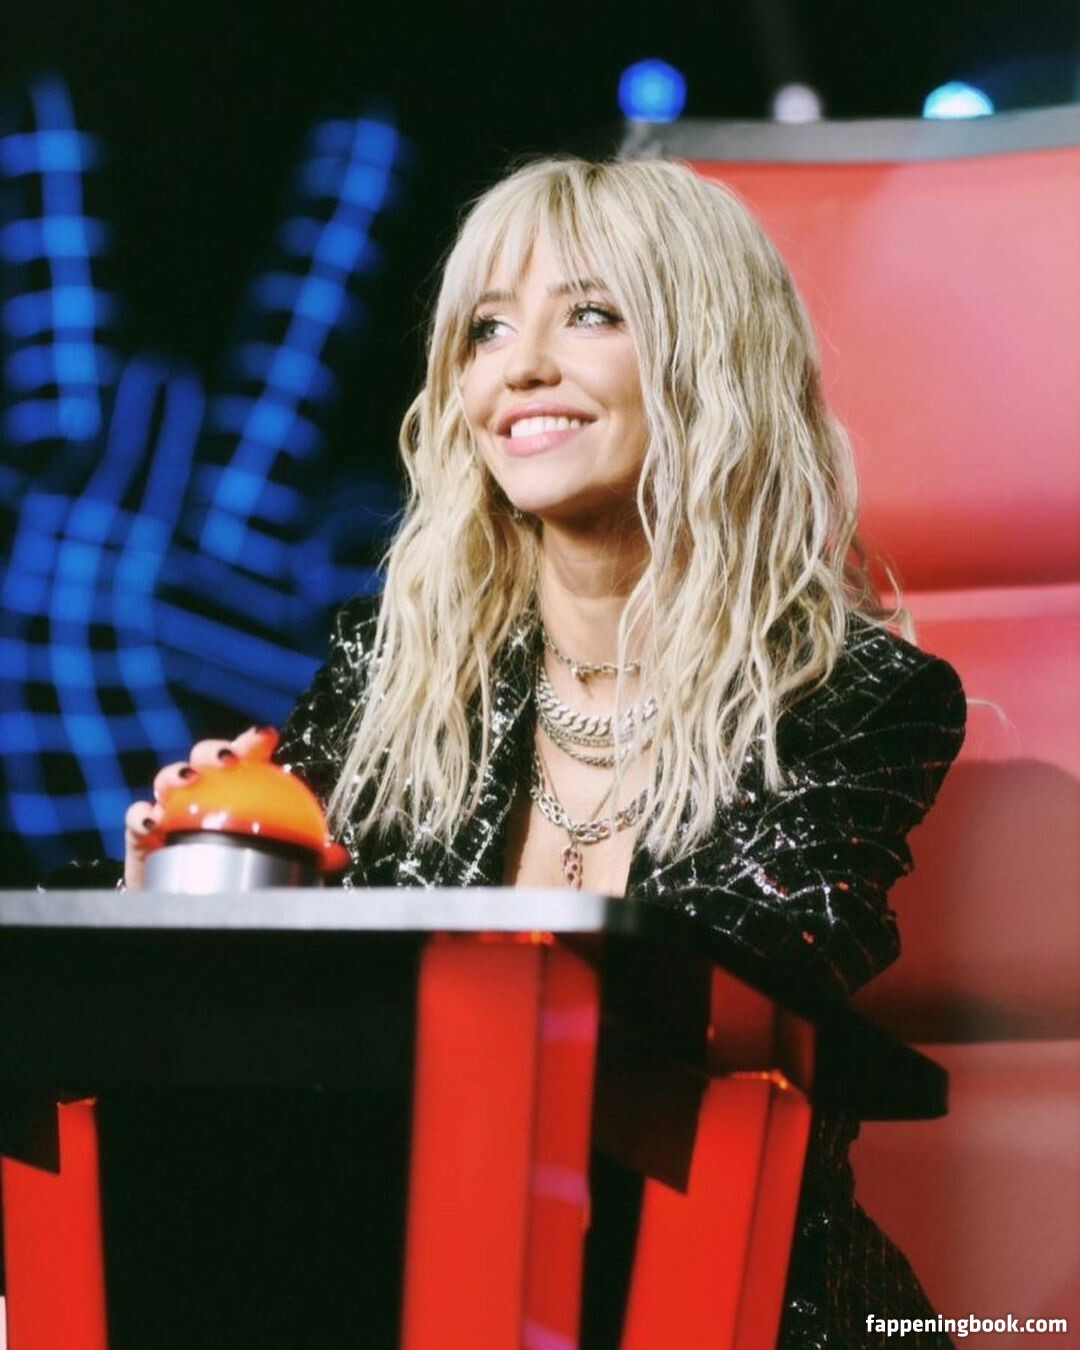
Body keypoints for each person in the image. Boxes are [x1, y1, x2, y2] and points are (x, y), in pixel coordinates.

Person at [122, 158, 966, 1345]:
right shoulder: (393, 674)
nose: (518, 368)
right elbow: (277, 1014)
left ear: (709, 357)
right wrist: (180, 886)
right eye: (486, 329)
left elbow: (722, 993)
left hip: (720, 1293)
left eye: (591, 314)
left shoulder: (859, 697)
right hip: (407, 1273)